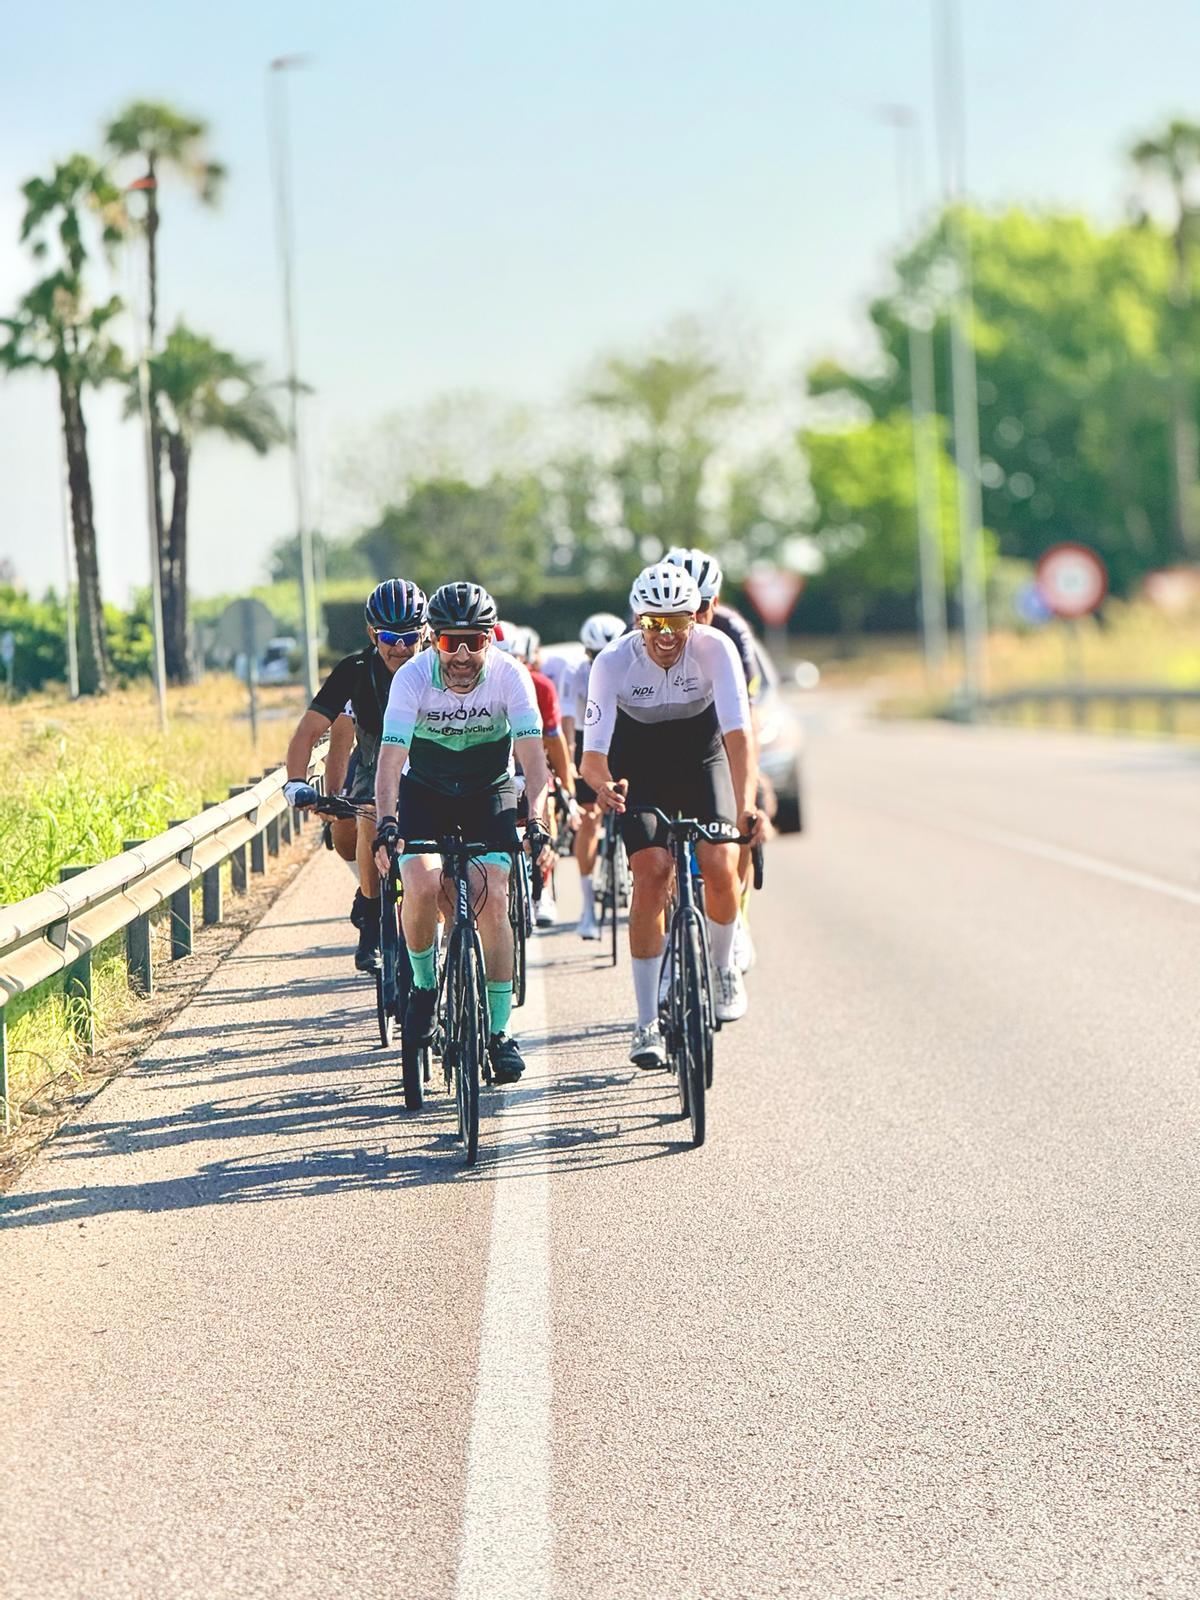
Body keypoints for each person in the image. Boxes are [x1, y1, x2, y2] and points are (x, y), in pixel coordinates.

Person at [580, 562, 766, 1069]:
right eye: (654, 623)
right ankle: (646, 1023)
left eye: (678, 623)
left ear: (695, 619)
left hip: (701, 755)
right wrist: (603, 786)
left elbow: (737, 736)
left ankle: (723, 966)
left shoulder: (715, 648)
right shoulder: (613, 662)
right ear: (638, 620)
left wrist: (746, 803)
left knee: (722, 863)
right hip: (639, 765)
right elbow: (593, 756)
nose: (667, 636)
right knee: (652, 873)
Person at [373, 582, 553, 1085]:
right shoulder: (411, 679)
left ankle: (498, 1033)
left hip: (486, 791)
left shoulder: (510, 678)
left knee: (493, 899)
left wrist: (536, 817)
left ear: (490, 639)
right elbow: (390, 765)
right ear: (434, 641)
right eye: (452, 642)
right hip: (425, 791)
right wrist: (387, 824)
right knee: (425, 884)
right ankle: (426, 989)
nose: (463, 654)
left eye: (475, 640)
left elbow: (534, 765)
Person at [283, 580, 427, 971]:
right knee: (368, 820)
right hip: (373, 763)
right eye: (389, 637)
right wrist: (296, 782)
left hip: (431, 765)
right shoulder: (355, 670)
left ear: (426, 632)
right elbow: (309, 731)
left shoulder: (440, 667)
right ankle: (371, 911)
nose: (401, 647)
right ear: (371, 634)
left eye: (411, 636)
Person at [665, 546, 767, 971]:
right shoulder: (651, 629)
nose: (694, 616)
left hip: (720, 729)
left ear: (715, 604)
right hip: (666, 734)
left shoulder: (731, 632)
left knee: (745, 809)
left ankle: (736, 915)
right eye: (683, 607)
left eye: (702, 606)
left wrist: (747, 792)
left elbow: (745, 714)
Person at [561, 612, 625, 939]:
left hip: (622, 737)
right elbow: (568, 720)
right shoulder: (575, 672)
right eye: (593, 655)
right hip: (588, 740)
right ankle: (587, 906)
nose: (600, 661)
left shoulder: (629, 664)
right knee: (588, 820)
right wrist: (571, 760)